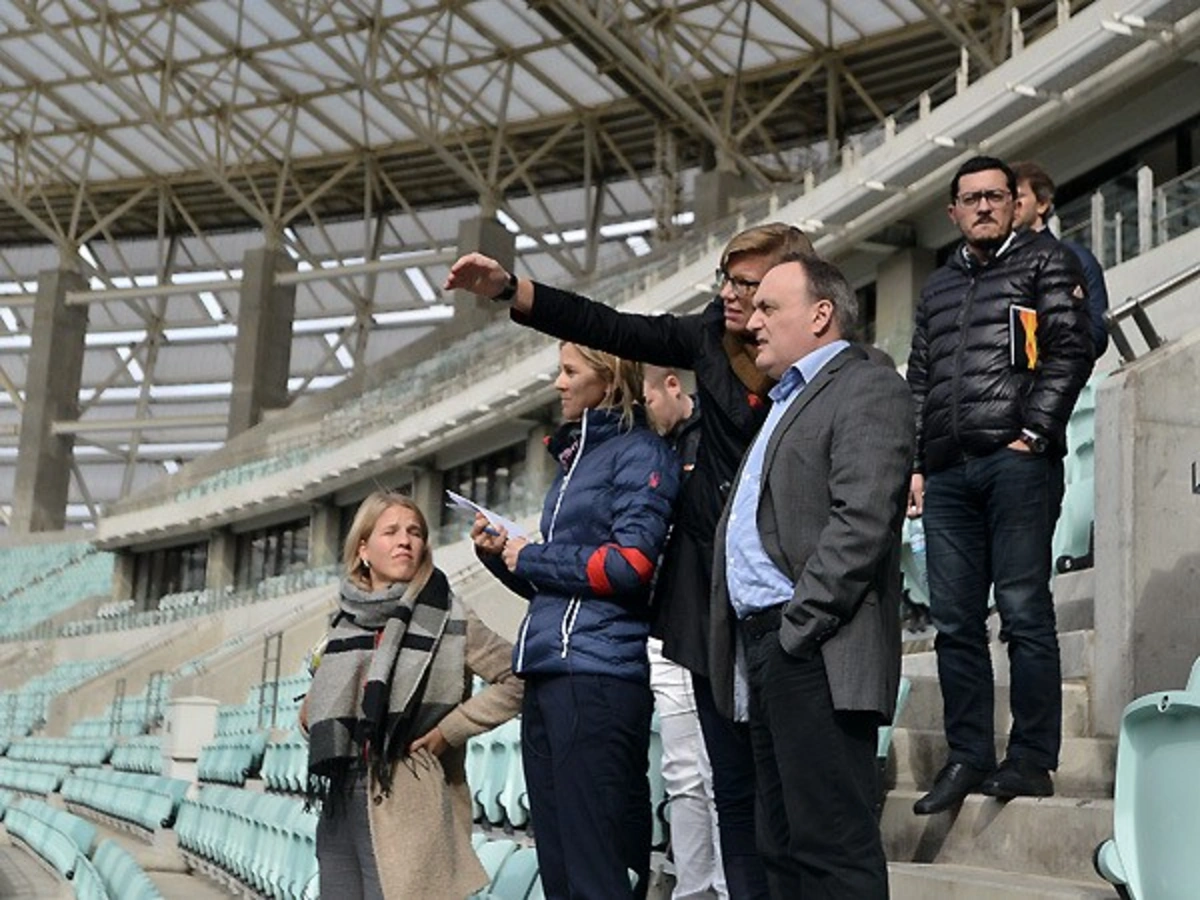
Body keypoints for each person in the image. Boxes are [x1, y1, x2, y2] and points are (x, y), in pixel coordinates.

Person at [447, 223, 816, 900]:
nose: (730, 296)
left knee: (787, 809)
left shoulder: (821, 380)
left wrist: (534, 554)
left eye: (747, 285)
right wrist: (509, 289)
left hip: (781, 604)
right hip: (710, 612)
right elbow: (607, 321)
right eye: (726, 280)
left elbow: (626, 567)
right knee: (731, 797)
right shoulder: (706, 339)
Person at [708, 253, 913, 898]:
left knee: (831, 849)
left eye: (769, 308)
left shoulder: (866, 385)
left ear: (821, 314)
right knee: (782, 851)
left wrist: (799, 627)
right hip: (767, 647)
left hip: (813, 647)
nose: (752, 323)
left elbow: (861, 521)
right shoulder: (784, 400)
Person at [907, 156, 1093, 815]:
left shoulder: (1048, 262)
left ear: (1015, 203)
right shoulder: (936, 288)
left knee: (1022, 610)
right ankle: (968, 756)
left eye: (995, 195)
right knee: (955, 622)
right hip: (948, 472)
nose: (983, 206)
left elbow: (1070, 349)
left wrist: (1034, 433)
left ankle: (1032, 759)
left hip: (1016, 463)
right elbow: (921, 380)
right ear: (953, 212)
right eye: (971, 198)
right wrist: (916, 464)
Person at [472, 342, 680, 900]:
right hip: (551, 670)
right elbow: (559, 585)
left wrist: (533, 557)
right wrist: (502, 558)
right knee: (561, 872)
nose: (559, 383)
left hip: (597, 679)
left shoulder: (640, 452)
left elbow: (630, 565)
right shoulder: (575, 464)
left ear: (609, 379)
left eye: (570, 371)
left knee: (595, 873)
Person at [302, 491, 523, 900]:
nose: (405, 540)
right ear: (363, 549)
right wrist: (310, 711)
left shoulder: (450, 617)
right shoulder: (344, 621)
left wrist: (450, 731)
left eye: (415, 532)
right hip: (341, 797)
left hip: (409, 794)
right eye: (391, 532)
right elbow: (325, 706)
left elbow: (519, 677)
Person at [642, 364, 726, 900]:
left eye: (647, 400)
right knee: (680, 773)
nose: (643, 414)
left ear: (672, 385)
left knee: (718, 771)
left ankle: (728, 886)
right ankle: (693, 889)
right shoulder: (647, 450)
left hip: (712, 620)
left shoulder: (715, 432)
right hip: (665, 623)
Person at [1013, 160, 1110, 357]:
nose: (1011, 206)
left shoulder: (1075, 259)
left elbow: (1097, 334)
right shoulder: (991, 266)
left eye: (1019, 197)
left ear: (1042, 204)